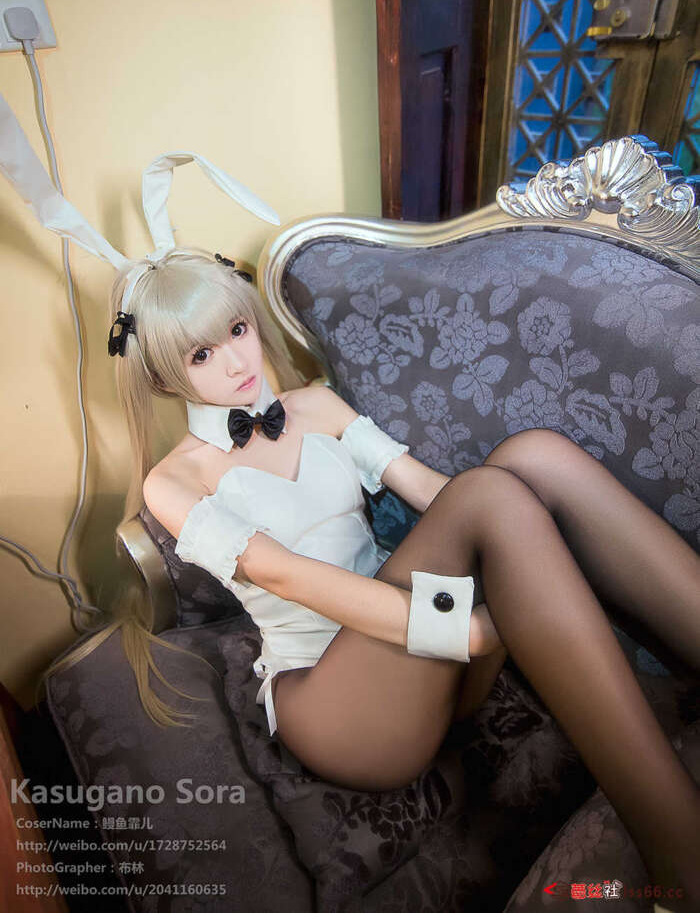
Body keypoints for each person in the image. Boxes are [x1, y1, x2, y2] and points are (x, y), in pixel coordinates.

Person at [111, 246, 700, 913]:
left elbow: (426, 488)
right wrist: (464, 630)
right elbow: (284, 574)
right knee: (491, 493)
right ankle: (682, 864)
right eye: (201, 355)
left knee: (529, 459)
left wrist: (535, 530)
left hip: (423, 654)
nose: (237, 362)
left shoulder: (317, 407)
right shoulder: (174, 481)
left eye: (238, 330)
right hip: (337, 704)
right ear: (165, 380)